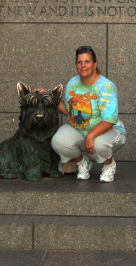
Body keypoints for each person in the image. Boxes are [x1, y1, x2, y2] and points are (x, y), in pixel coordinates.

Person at [38, 46, 126, 182]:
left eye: (87, 62)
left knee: (99, 143)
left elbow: (109, 119)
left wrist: (91, 136)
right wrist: (48, 97)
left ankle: (109, 164)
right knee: (58, 141)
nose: (83, 65)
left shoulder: (106, 86)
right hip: (80, 129)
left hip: (109, 130)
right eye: (79, 62)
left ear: (95, 64)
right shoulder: (73, 83)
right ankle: (82, 162)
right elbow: (68, 110)